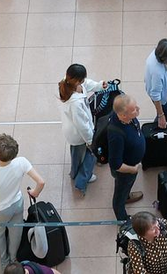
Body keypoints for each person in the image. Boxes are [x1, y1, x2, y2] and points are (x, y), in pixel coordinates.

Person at [0, 133, 46, 270]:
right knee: (16, 232)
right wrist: (34, 192)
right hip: (17, 204)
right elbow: (41, 181)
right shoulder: (22, 162)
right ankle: (14, 259)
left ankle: (3, 264)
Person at [58, 63, 102, 196]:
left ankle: (74, 172)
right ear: (77, 80)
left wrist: (99, 85)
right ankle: (82, 181)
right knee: (90, 154)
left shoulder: (66, 82)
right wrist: (90, 141)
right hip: (78, 133)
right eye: (82, 79)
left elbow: (86, 84)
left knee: (76, 152)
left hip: (72, 132)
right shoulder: (75, 103)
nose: (83, 81)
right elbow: (82, 124)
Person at [106, 93, 146, 221]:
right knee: (119, 196)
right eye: (134, 109)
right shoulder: (116, 135)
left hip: (131, 164)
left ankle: (127, 195)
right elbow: (116, 165)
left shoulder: (127, 119)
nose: (138, 109)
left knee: (126, 187)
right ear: (123, 115)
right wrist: (132, 170)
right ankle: (122, 219)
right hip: (126, 171)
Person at [122, 209, 167, 274]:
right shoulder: (134, 245)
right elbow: (140, 272)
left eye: (157, 225)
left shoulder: (164, 225)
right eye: (153, 229)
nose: (158, 230)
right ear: (142, 234)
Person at [145, 38, 167, 127]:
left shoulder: (159, 52)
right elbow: (155, 94)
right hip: (160, 94)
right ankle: (157, 127)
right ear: (166, 58)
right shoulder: (157, 72)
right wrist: (161, 115)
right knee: (166, 113)